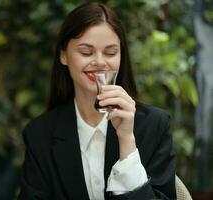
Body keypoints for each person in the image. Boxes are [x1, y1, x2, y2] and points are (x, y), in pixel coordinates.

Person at [18, 2, 176, 200]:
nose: (100, 62)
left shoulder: (154, 125)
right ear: (63, 55)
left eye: (110, 53)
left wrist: (127, 140)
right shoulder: (39, 135)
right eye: (86, 52)